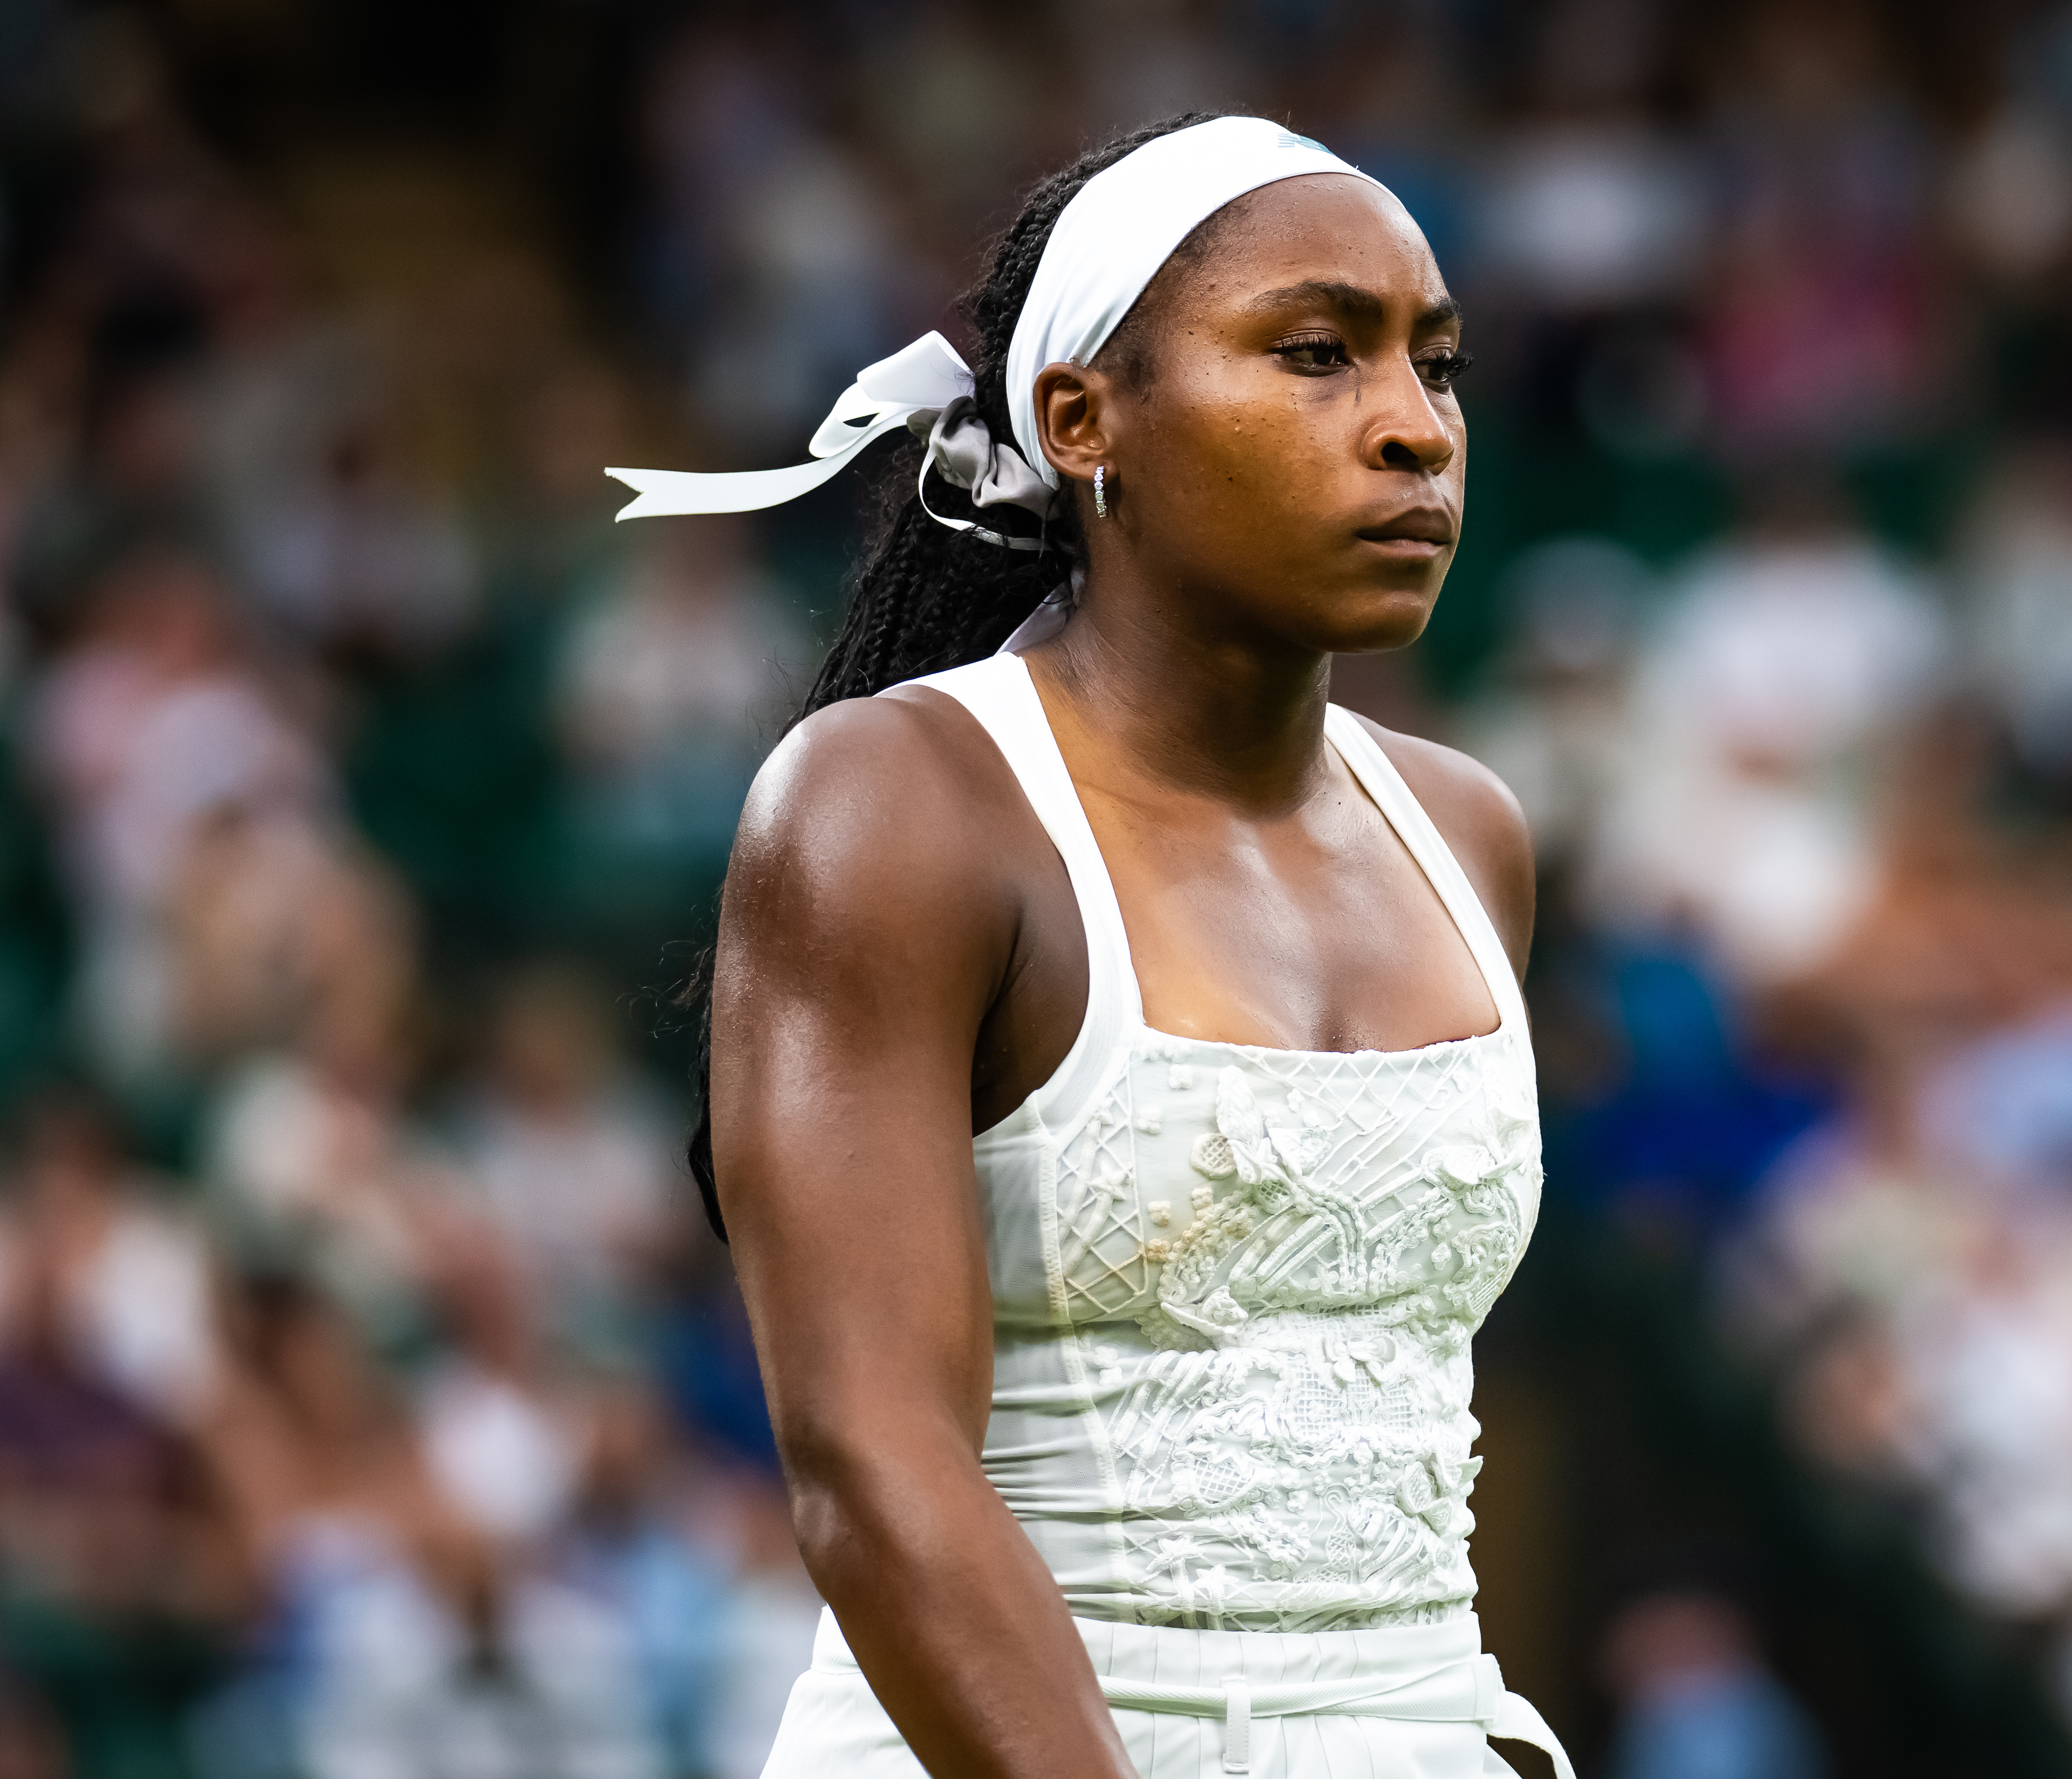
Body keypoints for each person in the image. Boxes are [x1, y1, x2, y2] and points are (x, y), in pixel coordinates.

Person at [609, 114, 1566, 1779]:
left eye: (1438, 364)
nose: (1413, 430)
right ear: (1081, 418)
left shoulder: (1468, 830)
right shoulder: (892, 806)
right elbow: (869, 1460)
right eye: (1317, 353)